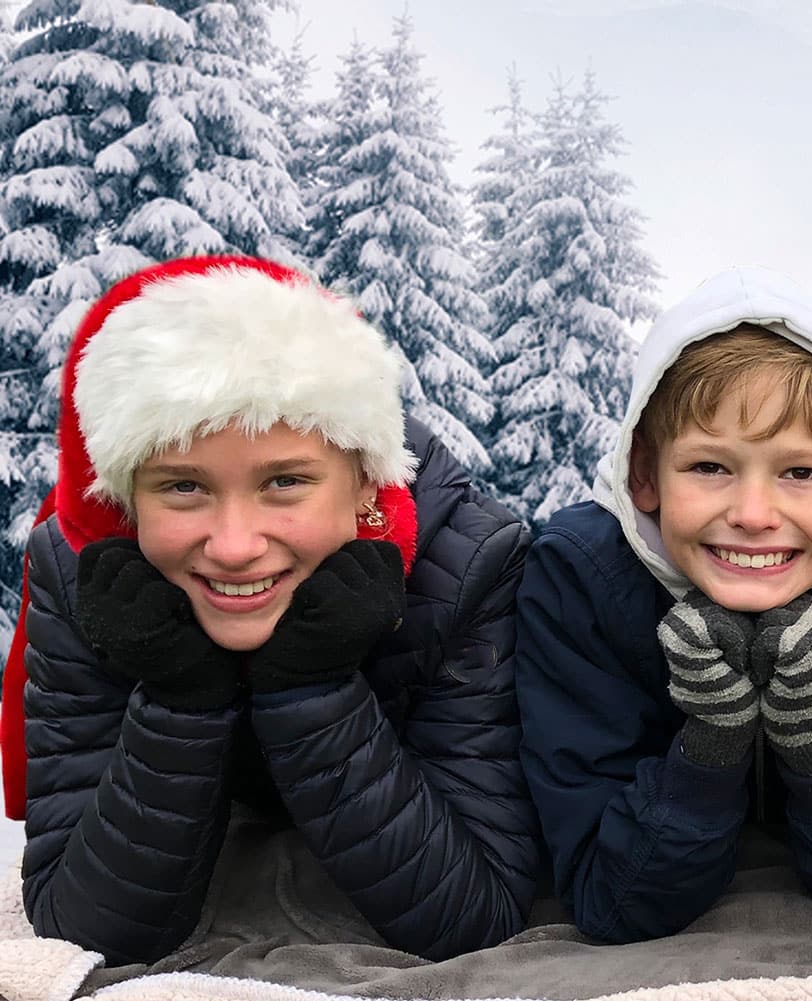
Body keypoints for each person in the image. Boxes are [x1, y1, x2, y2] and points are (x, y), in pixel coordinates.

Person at [2, 256, 540, 964]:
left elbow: (477, 913)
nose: (233, 546)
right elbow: (84, 927)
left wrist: (314, 688)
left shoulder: (464, 568)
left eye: (285, 481)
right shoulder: (84, 577)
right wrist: (179, 699)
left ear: (364, 485)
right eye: (183, 487)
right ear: (128, 502)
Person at [515, 266, 812, 943]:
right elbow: (607, 894)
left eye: (801, 472)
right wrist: (709, 742)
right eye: (710, 467)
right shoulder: (583, 579)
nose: (754, 514)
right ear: (645, 474)